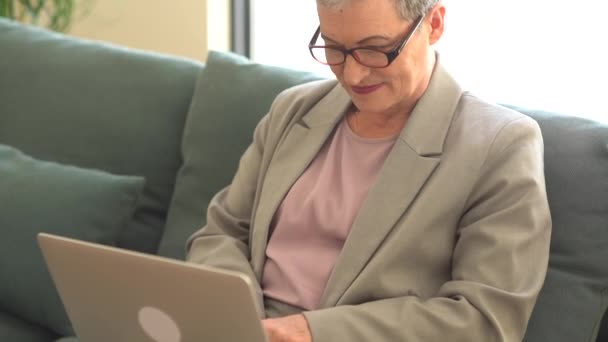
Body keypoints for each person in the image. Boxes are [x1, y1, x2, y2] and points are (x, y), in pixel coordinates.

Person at [186, 0, 552, 341]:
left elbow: (484, 320)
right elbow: (222, 232)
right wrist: (244, 320)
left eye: (375, 49)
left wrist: (312, 332)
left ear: (434, 24)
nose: (354, 74)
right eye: (334, 48)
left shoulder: (499, 146)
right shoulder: (292, 111)